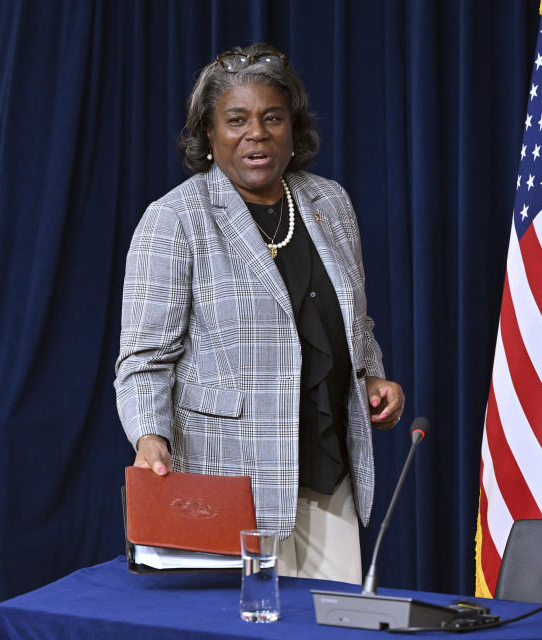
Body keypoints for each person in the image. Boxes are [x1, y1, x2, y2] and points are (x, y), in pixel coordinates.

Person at [114, 43, 404, 584]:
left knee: (328, 625)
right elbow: (144, 358)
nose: (257, 133)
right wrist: (148, 435)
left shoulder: (329, 202)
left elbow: (353, 320)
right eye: (236, 120)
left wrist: (375, 376)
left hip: (328, 473)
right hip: (229, 482)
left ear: (294, 129)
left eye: (273, 118)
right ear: (208, 133)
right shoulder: (174, 219)